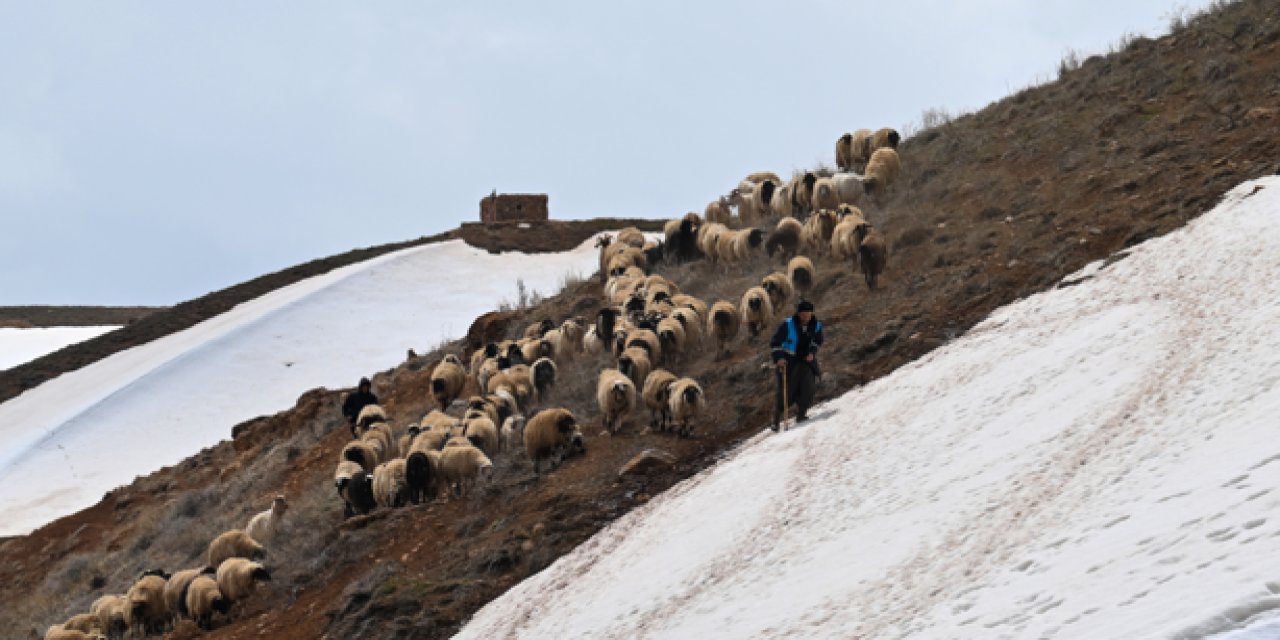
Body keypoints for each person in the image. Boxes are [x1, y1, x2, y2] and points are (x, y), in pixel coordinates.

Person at [768, 300, 824, 431]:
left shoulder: (816, 326)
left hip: (806, 362)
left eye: (808, 313)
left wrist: (812, 353)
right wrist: (779, 358)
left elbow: (818, 341)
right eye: (804, 314)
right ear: (798, 314)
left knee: (808, 388)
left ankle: (801, 414)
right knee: (787, 391)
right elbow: (775, 343)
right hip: (789, 361)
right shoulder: (787, 325)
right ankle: (776, 419)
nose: (806, 316)